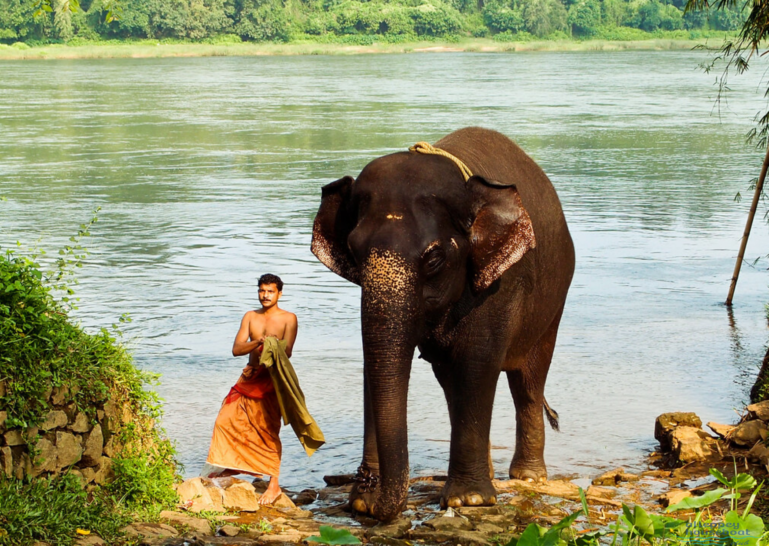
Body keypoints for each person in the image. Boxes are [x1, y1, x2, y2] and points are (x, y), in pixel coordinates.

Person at [203, 273, 298, 505]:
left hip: (273, 379)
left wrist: (271, 345)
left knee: (268, 430)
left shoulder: (289, 318)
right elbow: (236, 349)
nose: (265, 295)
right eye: (262, 291)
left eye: (270, 291)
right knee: (225, 420)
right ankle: (232, 466)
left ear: (279, 294)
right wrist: (257, 343)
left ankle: (273, 484)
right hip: (249, 375)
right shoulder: (250, 316)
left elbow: (288, 353)